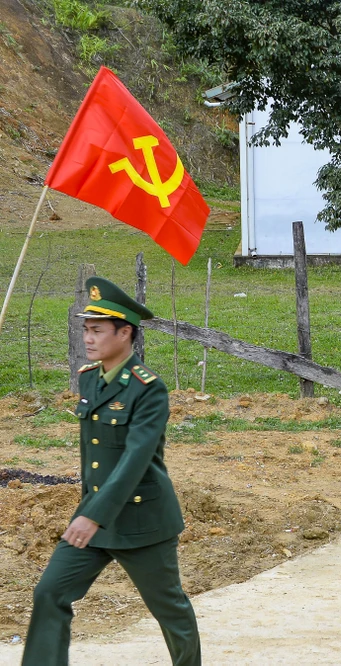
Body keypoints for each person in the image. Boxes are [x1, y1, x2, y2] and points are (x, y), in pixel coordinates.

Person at [22, 277, 201, 665]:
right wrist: (90, 511)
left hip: (141, 521)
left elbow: (135, 459)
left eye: (97, 330)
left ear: (125, 333)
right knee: (50, 592)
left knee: (170, 612)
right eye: (86, 329)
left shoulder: (149, 389)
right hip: (94, 516)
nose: (88, 338)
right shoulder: (90, 377)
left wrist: (92, 515)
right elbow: (94, 454)